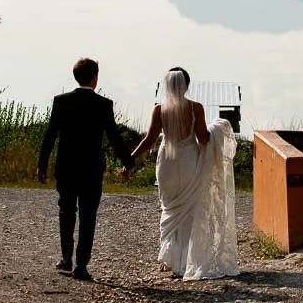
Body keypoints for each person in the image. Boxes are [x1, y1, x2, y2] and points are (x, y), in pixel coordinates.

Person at [127, 66, 239, 280]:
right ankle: (186, 261)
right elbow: (204, 139)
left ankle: (170, 258)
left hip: (167, 162)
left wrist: (130, 158)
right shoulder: (196, 108)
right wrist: (217, 129)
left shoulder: (159, 109)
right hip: (189, 160)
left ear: (167, 86)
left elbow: (149, 139)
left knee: (169, 208)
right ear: (187, 86)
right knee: (189, 210)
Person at [37, 57, 134, 280]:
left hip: (66, 168)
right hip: (91, 169)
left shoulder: (61, 101)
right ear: (95, 78)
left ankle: (66, 258)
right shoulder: (103, 104)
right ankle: (82, 265)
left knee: (66, 212)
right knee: (88, 217)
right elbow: (115, 138)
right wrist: (128, 163)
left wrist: (42, 165)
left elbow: (50, 135)